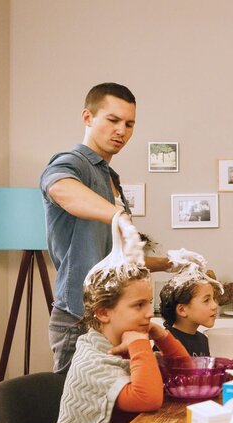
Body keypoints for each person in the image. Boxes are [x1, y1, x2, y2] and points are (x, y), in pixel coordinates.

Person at [40, 83, 202, 376]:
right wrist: (118, 216)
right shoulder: (72, 163)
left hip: (114, 319)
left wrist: (170, 263)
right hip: (80, 317)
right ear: (88, 117)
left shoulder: (110, 177)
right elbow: (59, 186)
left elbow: (118, 263)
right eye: (113, 120)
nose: (121, 131)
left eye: (129, 124)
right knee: (75, 402)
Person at [49, 261, 190, 423]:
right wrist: (139, 343)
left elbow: (187, 375)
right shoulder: (92, 359)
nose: (150, 313)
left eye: (149, 302)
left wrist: (162, 336)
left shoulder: (128, 346)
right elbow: (147, 399)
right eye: (139, 305)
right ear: (103, 313)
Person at [158, 267, 222, 357]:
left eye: (213, 298)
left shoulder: (203, 340)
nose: (215, 306)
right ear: (182, 310)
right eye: (206, 300)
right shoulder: (166, 342)